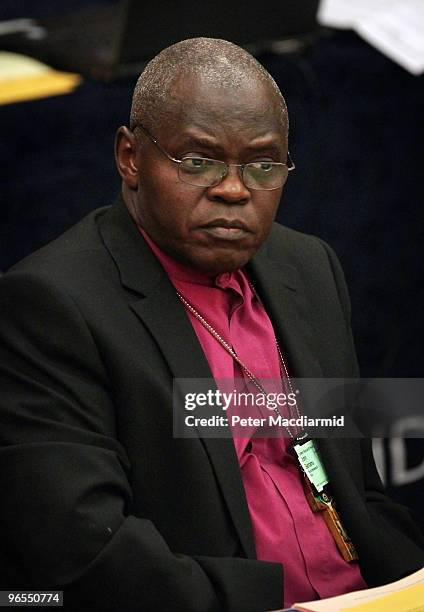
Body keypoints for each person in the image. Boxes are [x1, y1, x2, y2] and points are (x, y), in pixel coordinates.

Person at [0, 38, 423, 612]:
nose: (234, 189)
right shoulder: (50, 305)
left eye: (263, 164)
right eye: (198, 161)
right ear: (129, 157)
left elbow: (358, 489)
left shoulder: (309, 267)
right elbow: (84, 554)